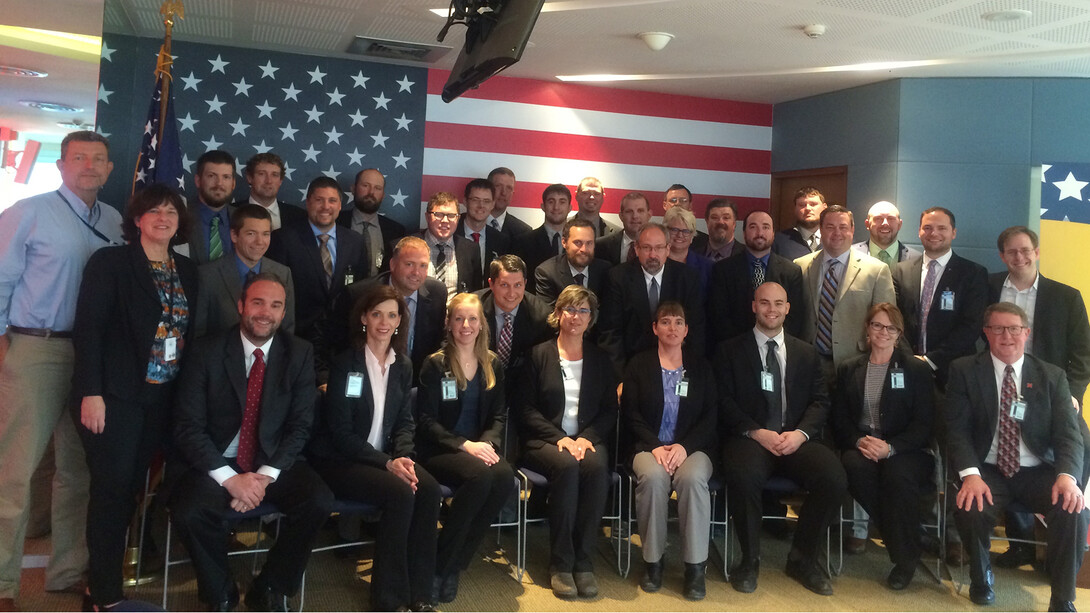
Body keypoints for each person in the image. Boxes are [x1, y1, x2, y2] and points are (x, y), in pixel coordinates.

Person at [0, 130, 122, 610]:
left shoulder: (114, 219)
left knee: (78, 471)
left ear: (110, 168)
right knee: (15, 471)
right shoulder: (27, 212)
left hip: (93, 359)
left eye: (98, 158)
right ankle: (4, 583)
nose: (89, 166)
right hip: (37, 348)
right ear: (61, 164)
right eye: (78, 158)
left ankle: (67, 571)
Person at [170, 274, 334, 612]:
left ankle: (271, 585)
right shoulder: (206, 351)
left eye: (275, 305)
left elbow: (301, 425)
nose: (265, 312)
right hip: (216, 461)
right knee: (188, 512)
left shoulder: (299, 353)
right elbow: (188, 427)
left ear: (283, 311)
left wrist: (261, 479)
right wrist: (230, 480)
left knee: (318, 501)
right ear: (241, 305)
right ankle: (221, 591)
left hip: (271, 462)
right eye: (258, 302)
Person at [71, 184, 198, 611]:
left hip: (162, 398)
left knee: (136, 490)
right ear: (138, 219)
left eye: (171, 212)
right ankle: (103, 593)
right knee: (113, 490)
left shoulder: (188, 269)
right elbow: (89, 331)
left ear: (180, 222)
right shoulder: (110, 263)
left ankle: (111, 578)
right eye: (154, 211)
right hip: (114, 397)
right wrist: (92, 392)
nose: (163, 218)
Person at [946, 302, 1088, 611]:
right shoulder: (964, 371)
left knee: (1073, 510)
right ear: (986, 333)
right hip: (988, 468)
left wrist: (1067, 477)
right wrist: (970, 475)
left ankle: (1062, 596)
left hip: (1036, 470)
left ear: (1027, 333)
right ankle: (981, 576)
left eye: (1013, 328)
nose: (1006, 336)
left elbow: (1069, 434)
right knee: (970, 506)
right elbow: (956, 430)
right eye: (997, 328)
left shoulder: (1052, 376)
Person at [308, 285, 440, 612]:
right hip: (342, 460)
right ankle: (388, 598)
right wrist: (387, 463)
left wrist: (404, 457)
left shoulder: (403, 365)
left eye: (392, 315)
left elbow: (405, 422)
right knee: (400, 493)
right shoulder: (344, 364)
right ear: (364, 317)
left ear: (399, 321)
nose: (384, 321)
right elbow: (340, 434)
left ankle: (420, 592)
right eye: (377, 313)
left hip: (387, 459)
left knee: (430, 489)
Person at [716, 282, 847, 596]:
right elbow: (723, 401)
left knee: (834, 478)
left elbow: (820, 402)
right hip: (751, 438)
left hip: (796, 439)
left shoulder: (806, 352)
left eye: (778, 304)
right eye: (764, 303)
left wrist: (801, 434)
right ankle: (749, 560)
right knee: (743, 476)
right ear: (754, 306)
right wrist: (756, 431)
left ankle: (802, 559)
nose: (771, 310)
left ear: (788, 308)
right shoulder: (730, 350)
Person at [988, 226, 1090, 569]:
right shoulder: (987, 287)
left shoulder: (1066, 297)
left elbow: (1083, 355)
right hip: (998, 389)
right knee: (1008, 456)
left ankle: (1060, 546)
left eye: (1025, 250)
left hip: (1051, 394)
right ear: (1002, 256)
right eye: (1012, 252)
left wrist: (1072, 395)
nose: (1019, 257)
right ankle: (1022, 545)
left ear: (1037, 251)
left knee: (1082, 448)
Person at [516, 285, 617, 599]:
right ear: (557, 314)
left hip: (586, 441)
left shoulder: (601, 359)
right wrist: (561, 439)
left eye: (583, 310)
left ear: (591, 317)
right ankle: (561, 562)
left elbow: (609, 410)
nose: (576, 316)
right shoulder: (537, 355)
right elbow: (525, 409)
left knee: (597, 468)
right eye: (570, 309)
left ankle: (584, 561)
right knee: (567, 468)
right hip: (544, 441)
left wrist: (586, 439)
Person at [416, 293, 515, 604]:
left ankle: (453, 563)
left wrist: (487, 443)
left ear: (481, 323)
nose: (465, 325)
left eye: (472, 318)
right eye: (458, 318)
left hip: (479, 447)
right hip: (440, 448)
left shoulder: (493, 363)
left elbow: (499, 415)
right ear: (449, 323)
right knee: (480, 478)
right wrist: (465, 445)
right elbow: (426, 421)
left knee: (503, 477)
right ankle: (441, 568)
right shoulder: (435, 364)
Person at [830, 303, 936, 590]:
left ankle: (904, 559)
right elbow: (839, 419)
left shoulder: (915, 369)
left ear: (899, 333)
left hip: (907, 451)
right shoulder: (850, 368)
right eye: (877, 325)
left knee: (896, 475)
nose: (883, 332)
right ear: (867, 328)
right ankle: (909, 543)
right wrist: (858, 440)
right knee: (852, 467)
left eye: (890, 327)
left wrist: (890, 448)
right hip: (863, 446)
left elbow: (924, 424)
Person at [622, 302, 717, 601]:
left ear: (687, 329)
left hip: (693, 448)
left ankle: (695, 567)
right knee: (652, 479)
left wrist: (683, 446)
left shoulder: (701, 366)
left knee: (691, 481)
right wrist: (655, 446)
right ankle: (653, 563)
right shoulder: (639, 364)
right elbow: (631, 413)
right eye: (665, 322)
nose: (672, 328)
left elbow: (711, 415)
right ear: (655, 328)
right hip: (648, 446)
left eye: (679, 322)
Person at [267, 176, 370, 382]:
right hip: (297, 339)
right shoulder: (284, 239)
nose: (325, 206)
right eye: (319, 200)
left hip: (342, 342)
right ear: (308, 203)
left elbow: (362, 291)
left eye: (332, 201)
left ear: (340, 205)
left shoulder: (355, 242)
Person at [795, 205, 895, 382]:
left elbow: (887, 322)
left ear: (853, 230)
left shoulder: (877, 270)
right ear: (821, 229)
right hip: (808, 360)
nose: (837, 233)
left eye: (843, 227)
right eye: (830, 227)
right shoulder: (800, 266)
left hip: (855, 360)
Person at [892, 206, 988, 389]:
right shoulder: (899, 271)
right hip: (907, 369)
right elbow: (895, 320)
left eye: (942, 228)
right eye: (927, 227)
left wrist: (930, 360)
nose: (933, 233)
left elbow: (971, 326)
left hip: (953, 371)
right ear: (919, 232)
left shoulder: (973, 273)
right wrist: (911, 360)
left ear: (954, 233)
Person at [600, 223, 706, 373]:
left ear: (668, 249)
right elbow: (611, 333)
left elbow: (696, 330)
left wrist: (686, 370)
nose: (652, 255)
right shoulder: (618, 277)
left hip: (676, 365)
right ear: (636, 249)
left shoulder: (687, 278)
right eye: (646, 248)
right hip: (631, 367)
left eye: (658, 248)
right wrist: (620, 377)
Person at [342, 237, 448, 379]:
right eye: (409, 264)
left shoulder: (437, 293)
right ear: (392, 264)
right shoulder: (361, 294)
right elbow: (338, 341)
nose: (416, 272)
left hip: (418, 381)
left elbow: (436, 342)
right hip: (367, 377)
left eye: (423, 266)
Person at [707, 210, 809, 347]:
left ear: (773, 233)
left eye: (766, 227)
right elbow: (719, 316)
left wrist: (771, 344)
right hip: (735, 350)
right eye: (753, 227)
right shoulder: (723, 270)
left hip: (778, 349)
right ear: (743, 233)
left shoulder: (791, 271)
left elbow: (795, 318)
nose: (760, 233)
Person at [194, 204, 295, 337]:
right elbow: (199, 332)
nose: (260, 242)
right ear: (234, 236)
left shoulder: (283, 273)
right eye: (251, 234)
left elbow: (286, 330)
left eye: (265, 234)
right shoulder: (208, 276)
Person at [475, 256, 553, 405]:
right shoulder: (473, 309)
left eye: (517, 285)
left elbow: (540, 369)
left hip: (520, 386)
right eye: (504, 285)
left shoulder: (541, 316)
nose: (511, 294)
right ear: (491, 284)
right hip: (477, 380)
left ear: (525, 284)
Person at [338, 168, 408, 277]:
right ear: (353, 189)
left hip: (381, 292)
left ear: (383, 195)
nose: (371, 192)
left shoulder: (396, 231)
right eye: (365, 186)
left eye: (377, 188)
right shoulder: (336, 222)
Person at [417, 192, 483, 298]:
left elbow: (476, 294)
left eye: (451, 216)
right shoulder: (405, 246)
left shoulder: (471, 249)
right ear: (427, 217)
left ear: (458, 219)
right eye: (438, 214)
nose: (445, 221)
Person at [534, 217, 611, 305]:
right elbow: (548, 314)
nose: (584, 249)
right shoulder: (547, 272)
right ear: (564, 242)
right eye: (578, 242)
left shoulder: (606, 271)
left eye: (589, 243)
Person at [186, 150, 237, 263]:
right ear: (198, 181)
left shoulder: (243, 218)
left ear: (233, 183)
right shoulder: (180, 216)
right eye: (211, 176)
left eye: (226, 177)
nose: (219, 183)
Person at [516, 184, 573, 284]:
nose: (556, 207)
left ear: (570, 208)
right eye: (551, 201)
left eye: (562, 202)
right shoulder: (524, 242)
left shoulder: (578, 243)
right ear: (543, 206)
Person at [238, 153, 306, 231]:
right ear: (250, 178)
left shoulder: (299, 216)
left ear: (280, 181)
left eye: (274, 175)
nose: (269, 181)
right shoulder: (231, 213)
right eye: (262, 174)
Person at [456, 179, 510, 278]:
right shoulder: (451, 233)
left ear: (493, 204)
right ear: (465, 201)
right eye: (475, 200)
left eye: (486, 201)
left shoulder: (501, 241)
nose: (481, 205)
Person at [851, 201, 920, 266]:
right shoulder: (851, 254)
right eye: (878, 219)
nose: (885, 223)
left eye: (891, 219)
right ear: (867, 224)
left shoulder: (917, 260)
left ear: (899, 225)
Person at [663, 206, 713, 295]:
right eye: (674, 230)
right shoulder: (656, 262)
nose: (680, 235)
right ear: (665, 231)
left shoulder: (707, 267)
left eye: (686, 231)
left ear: (692, 236)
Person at [595, 191, 651, 266]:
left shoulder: (659, 246)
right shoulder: (600, 246)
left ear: (649, 215)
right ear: (621, 216)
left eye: (640, 211)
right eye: (629, 211)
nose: (635, 216)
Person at [773, 186, 826, 261]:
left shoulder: (835, 238)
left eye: (813, 204)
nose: (808, 208)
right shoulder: (779, 241)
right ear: (795, 209)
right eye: (802, 205)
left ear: (824, 207)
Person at [487, 167, 532, 238]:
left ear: (513, 193)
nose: (504, 193)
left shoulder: (524, 232)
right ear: (487, 189)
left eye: (509, 188)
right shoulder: (465, 223)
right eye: (498, 186)